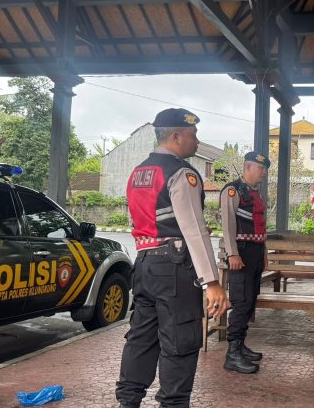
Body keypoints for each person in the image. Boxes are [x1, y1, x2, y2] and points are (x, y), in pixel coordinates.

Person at [116, 108, 229, 408]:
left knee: (141, 338)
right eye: (193, 135)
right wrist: (212, 282)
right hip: (174, 268)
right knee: (181, 339)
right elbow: (194, 230)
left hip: (144, 265)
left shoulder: (138, 172)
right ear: (176, 136)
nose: (196, 140)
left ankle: (127, 401)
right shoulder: (181, 173)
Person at [220, 151, 271, 374]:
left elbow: (260, 225)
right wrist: (232, 254)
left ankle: (240, 345)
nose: (264, 172)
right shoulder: (233, 190)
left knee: (250, 301)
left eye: (265, 169)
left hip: (255, 252)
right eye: (261, 168)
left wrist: (264, 253)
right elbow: (228, 224)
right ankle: (232, 354)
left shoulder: (255, 192)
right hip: (240, 252)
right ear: (248, 167)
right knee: (241, 302)